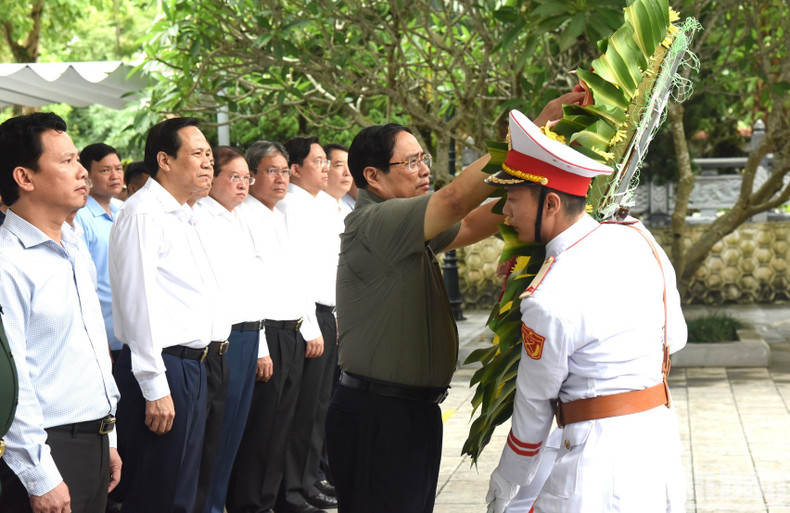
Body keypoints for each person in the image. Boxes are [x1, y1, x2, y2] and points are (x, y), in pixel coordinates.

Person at [484, 109, 687, 513]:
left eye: (512, 200)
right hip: (658, 446)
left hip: (597, 468)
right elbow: (676, 337)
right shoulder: (638, 239)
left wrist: (504, 484)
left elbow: (533, 410)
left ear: (551, 203)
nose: (504, 212)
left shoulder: (547, 296)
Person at [0, 112, 121, 513]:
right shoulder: (8, 263)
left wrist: (109, 436)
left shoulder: (72, 244)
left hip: (93, 440)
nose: (82, 172)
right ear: (25, 177)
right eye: (67, 161)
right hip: (46, 450)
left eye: (78, 160)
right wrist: (41, 476)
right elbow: (12, 382)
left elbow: (91, 349)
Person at [109, 117, 220, 513]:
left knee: (181, 489)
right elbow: (137, 304)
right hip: (162, 366)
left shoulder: (182, 213)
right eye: (197, 153)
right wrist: (154, 386)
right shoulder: (144, 214)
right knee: (157, 492)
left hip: (191, 366)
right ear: (165, 160)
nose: (208, 162)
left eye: (209, 155)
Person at [227, 140, 324, 513]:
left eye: (285, 171)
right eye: (272, 171)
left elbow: (296, 278)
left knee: (285, 425)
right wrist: (262, 347)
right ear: (252, 175)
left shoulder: (281, 214)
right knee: (262, 429)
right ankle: (252, 503)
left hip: (292, 330)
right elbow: (249, 288)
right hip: (265, 332)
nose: (281, 178)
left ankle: (273, 500)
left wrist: (308, 326)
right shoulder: (243, 216)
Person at [193, 146, 268, 513]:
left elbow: (252, 287)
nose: (242, 185)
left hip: (250, 333)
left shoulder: (239, 217)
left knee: (235, 430)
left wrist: (262, 345)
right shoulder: (201, 217)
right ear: (213, 179)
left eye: (245, 178)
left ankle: (218, 502)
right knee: (216, 433)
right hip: (225, 337)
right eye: (233, 177)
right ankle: (207, 505)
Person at [278, 136, 340, 512]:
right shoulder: (290, 206)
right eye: (318, 161)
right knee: (303, 410)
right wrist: (310, 324)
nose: (326, 167)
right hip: (308, 315)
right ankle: (294, 488)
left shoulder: (321, 205)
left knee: (319, 406)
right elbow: (295, 272)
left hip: (327, 312)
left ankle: (309, 481)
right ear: (296, 169)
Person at [75, 143, 125, 361]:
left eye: (118, 168)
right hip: (106, 335)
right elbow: (84, 282)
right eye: (105, 170)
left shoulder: (124, 210)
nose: (115, 176)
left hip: (133, 333)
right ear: (87, 176)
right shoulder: (80, 216)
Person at [323, 143, 353, 220]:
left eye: (350, 166)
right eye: (339, 165)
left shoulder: (348, 211)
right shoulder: (312, 207)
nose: (347, 173)